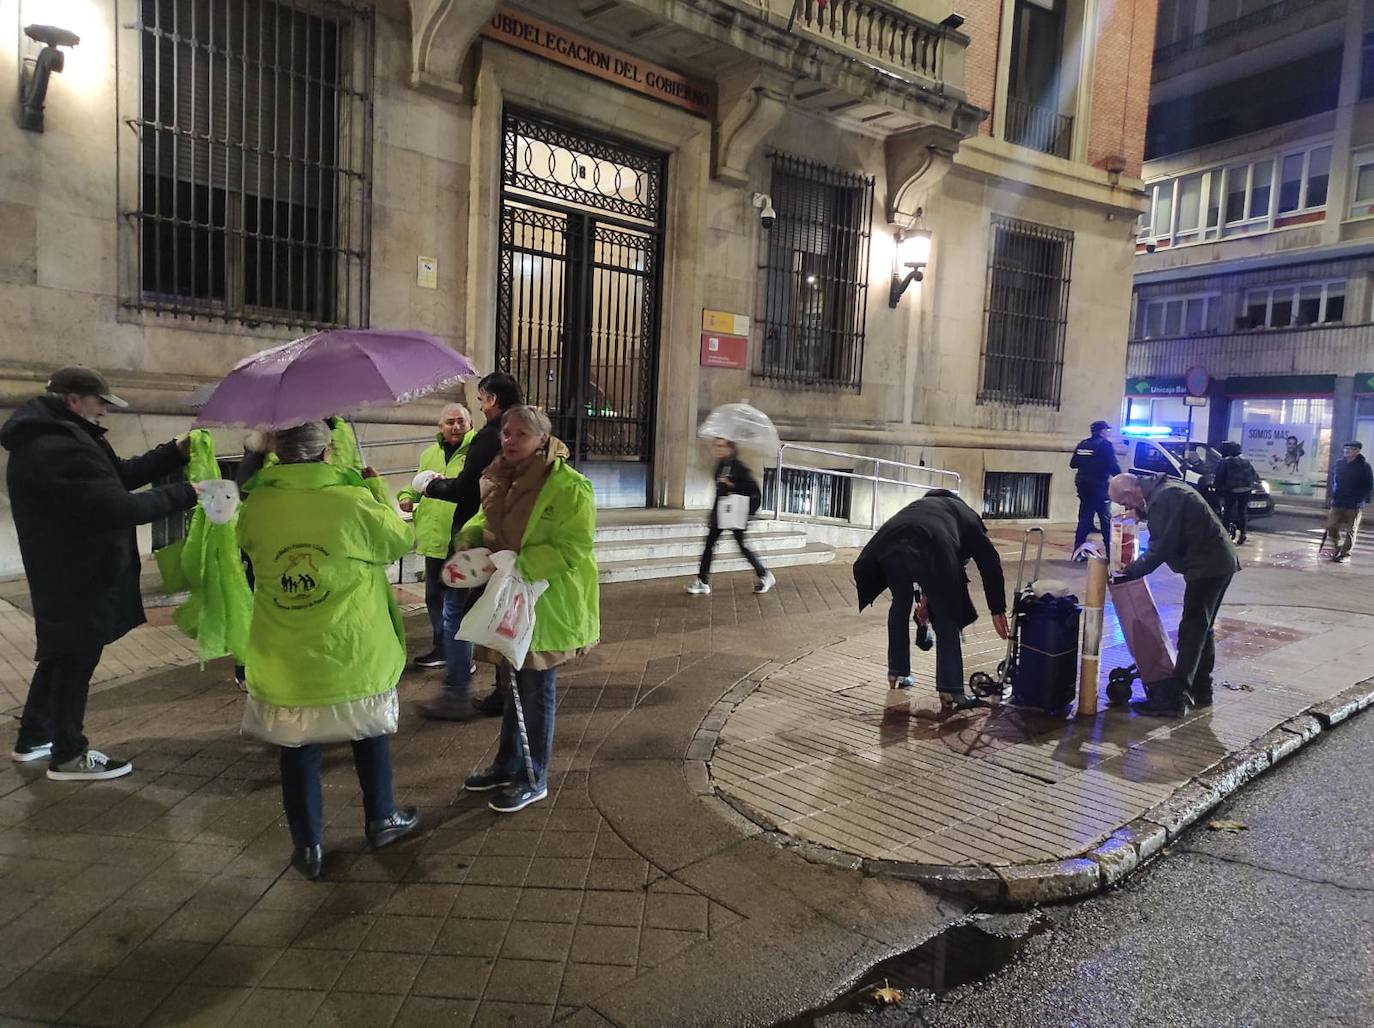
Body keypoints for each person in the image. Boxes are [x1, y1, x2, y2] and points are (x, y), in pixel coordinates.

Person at [236, 421, 419, 879]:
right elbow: (400, 540)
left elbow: (249, 550)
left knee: (297, 747)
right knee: (368, 731)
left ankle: (308, 846)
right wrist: (375, 485)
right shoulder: (350, 500)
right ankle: (381, 819)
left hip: (286, 649)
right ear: (326, 453)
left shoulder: (256, 504)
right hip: (351, 644)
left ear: (278, 453)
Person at [1, 366, 197, 780]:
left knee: (61, 653)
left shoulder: (63, 436)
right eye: (101, 402)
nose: (105, 411)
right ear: (74, 400)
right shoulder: (56, 446)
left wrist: (173, 452)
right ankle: (70, 755)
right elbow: (117, 506)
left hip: (69, 568)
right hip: (76, 573)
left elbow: (118, 476)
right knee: (76, 658)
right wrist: (189, 493)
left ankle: (34, 737)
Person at [455, 406, 599, 813]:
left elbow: (573, 548)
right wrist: (468, 541)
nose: (509, 440)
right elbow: (485, 521)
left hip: (544, 603)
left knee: (535, 691)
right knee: (513, 687)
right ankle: (506, 765)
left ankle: (533, 776)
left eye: (520, 434)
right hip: (506, 599)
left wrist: (518, 565)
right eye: (505, 432)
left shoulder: (569, 487)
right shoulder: (503, 478)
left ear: (541, 439)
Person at [418, 372, 523, 719]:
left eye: (480, 399)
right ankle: (506, 691)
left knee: (456, 614)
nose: (479, 406)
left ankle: (456, 692)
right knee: (500, 613)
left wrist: (431, 488)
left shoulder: (492, 437)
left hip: (477, 539)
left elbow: (471, 491)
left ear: (492, 399)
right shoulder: (527, 437)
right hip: (512, 539)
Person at [852, 490, 1010, 711]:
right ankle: (952, 690)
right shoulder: (966, 515)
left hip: (887, 548)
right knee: (947, 616)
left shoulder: (921, 506)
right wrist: (997, 609)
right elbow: (989, 561)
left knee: (900, 602)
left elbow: (928, 564)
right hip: (932, 549)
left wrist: (927, 599)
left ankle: (896, 672)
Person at [1108, 472, 1241, 717]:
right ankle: (1202, 690)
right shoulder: (1164, 492)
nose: (1127, 508)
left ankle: (1175, 699)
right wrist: (1141, 514)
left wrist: (1131, 572)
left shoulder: (1165, 496)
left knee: (1192, 629)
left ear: (1131, 493)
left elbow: (1162, 546)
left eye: (1125, 503)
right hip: (1215, 562)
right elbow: (1172, 523)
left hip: (1208, 565)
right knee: (1202, 626)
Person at [395, 404, 475, 668]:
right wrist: (406, 496)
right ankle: (442, 648)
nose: (456, 426)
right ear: (440, 427)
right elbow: (417, 483)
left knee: (457, 602)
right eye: (450, 422)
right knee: (434, 597)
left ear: (470, 423)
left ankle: (462, 656)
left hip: (460, 537)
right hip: (433, 537)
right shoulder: (430, 453)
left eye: (461, 421)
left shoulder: (477, 451)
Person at [685, 438, 775, 596]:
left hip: (736, 513)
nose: (717, 449)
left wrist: (733, 485)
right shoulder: (720, 466)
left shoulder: (739, 467)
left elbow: (752, 489)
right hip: (722, 512)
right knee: (709, 544)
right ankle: (703, 581)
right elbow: (719, 493)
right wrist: (712, 515)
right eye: (716, 445)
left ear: (730, 448)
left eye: (721, 446)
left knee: (741, 546)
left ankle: (764, 574)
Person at [1069, 420, 1120, 561]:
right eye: (1107, 430)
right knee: (1105, 520)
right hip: (1098, 486)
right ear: (1102, 431)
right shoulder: (1105, 446)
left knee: (1084, 519)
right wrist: (1123, 480)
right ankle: (1111, 554)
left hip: (1083, 486)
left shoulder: (1083, 444)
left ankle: (1077, 551)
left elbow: (1073, 464)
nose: (1108, 433)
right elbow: (1113, 467)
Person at [1326, 441, 1374, 563]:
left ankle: (1345, 554)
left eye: (1351, 449)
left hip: (1354, 503)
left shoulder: (1364, 466)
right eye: (1346, 448)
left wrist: (1361, 498)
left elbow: (1369, 485)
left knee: (1351, 530)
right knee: (1331, 526)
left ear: (1357, 451)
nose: (1347, 451)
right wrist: (1333, 494)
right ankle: (1338, 546)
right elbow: (1333, 480)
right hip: (1338, 501)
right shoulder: (1339, 464)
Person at [1212, 441, 1258, 545]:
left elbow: (1219, 477)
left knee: (1227, 511)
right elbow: (1254, 475)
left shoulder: (1225, 461)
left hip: (1232, 489)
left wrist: (1216, 488)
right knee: (1242, 512)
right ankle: (1242, 534)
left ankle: (1225, 534)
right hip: (1246, 489)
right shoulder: (1246, 460)